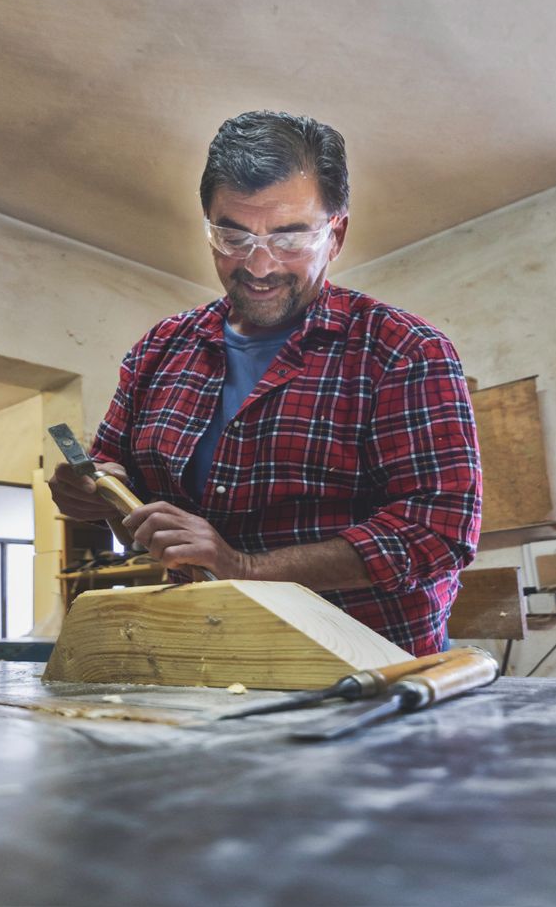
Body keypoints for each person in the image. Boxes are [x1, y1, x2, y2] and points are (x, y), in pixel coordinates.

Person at [48, 110, 481, 655]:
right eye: (232, 235)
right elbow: (122, 495)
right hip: (206, 654)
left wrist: (243, 567)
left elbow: (437, 534)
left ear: (336, 234)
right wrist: (94, 494)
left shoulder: (405, 350)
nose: (258, 266)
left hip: (368, 671)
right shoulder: (159, 350)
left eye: (291, 237)